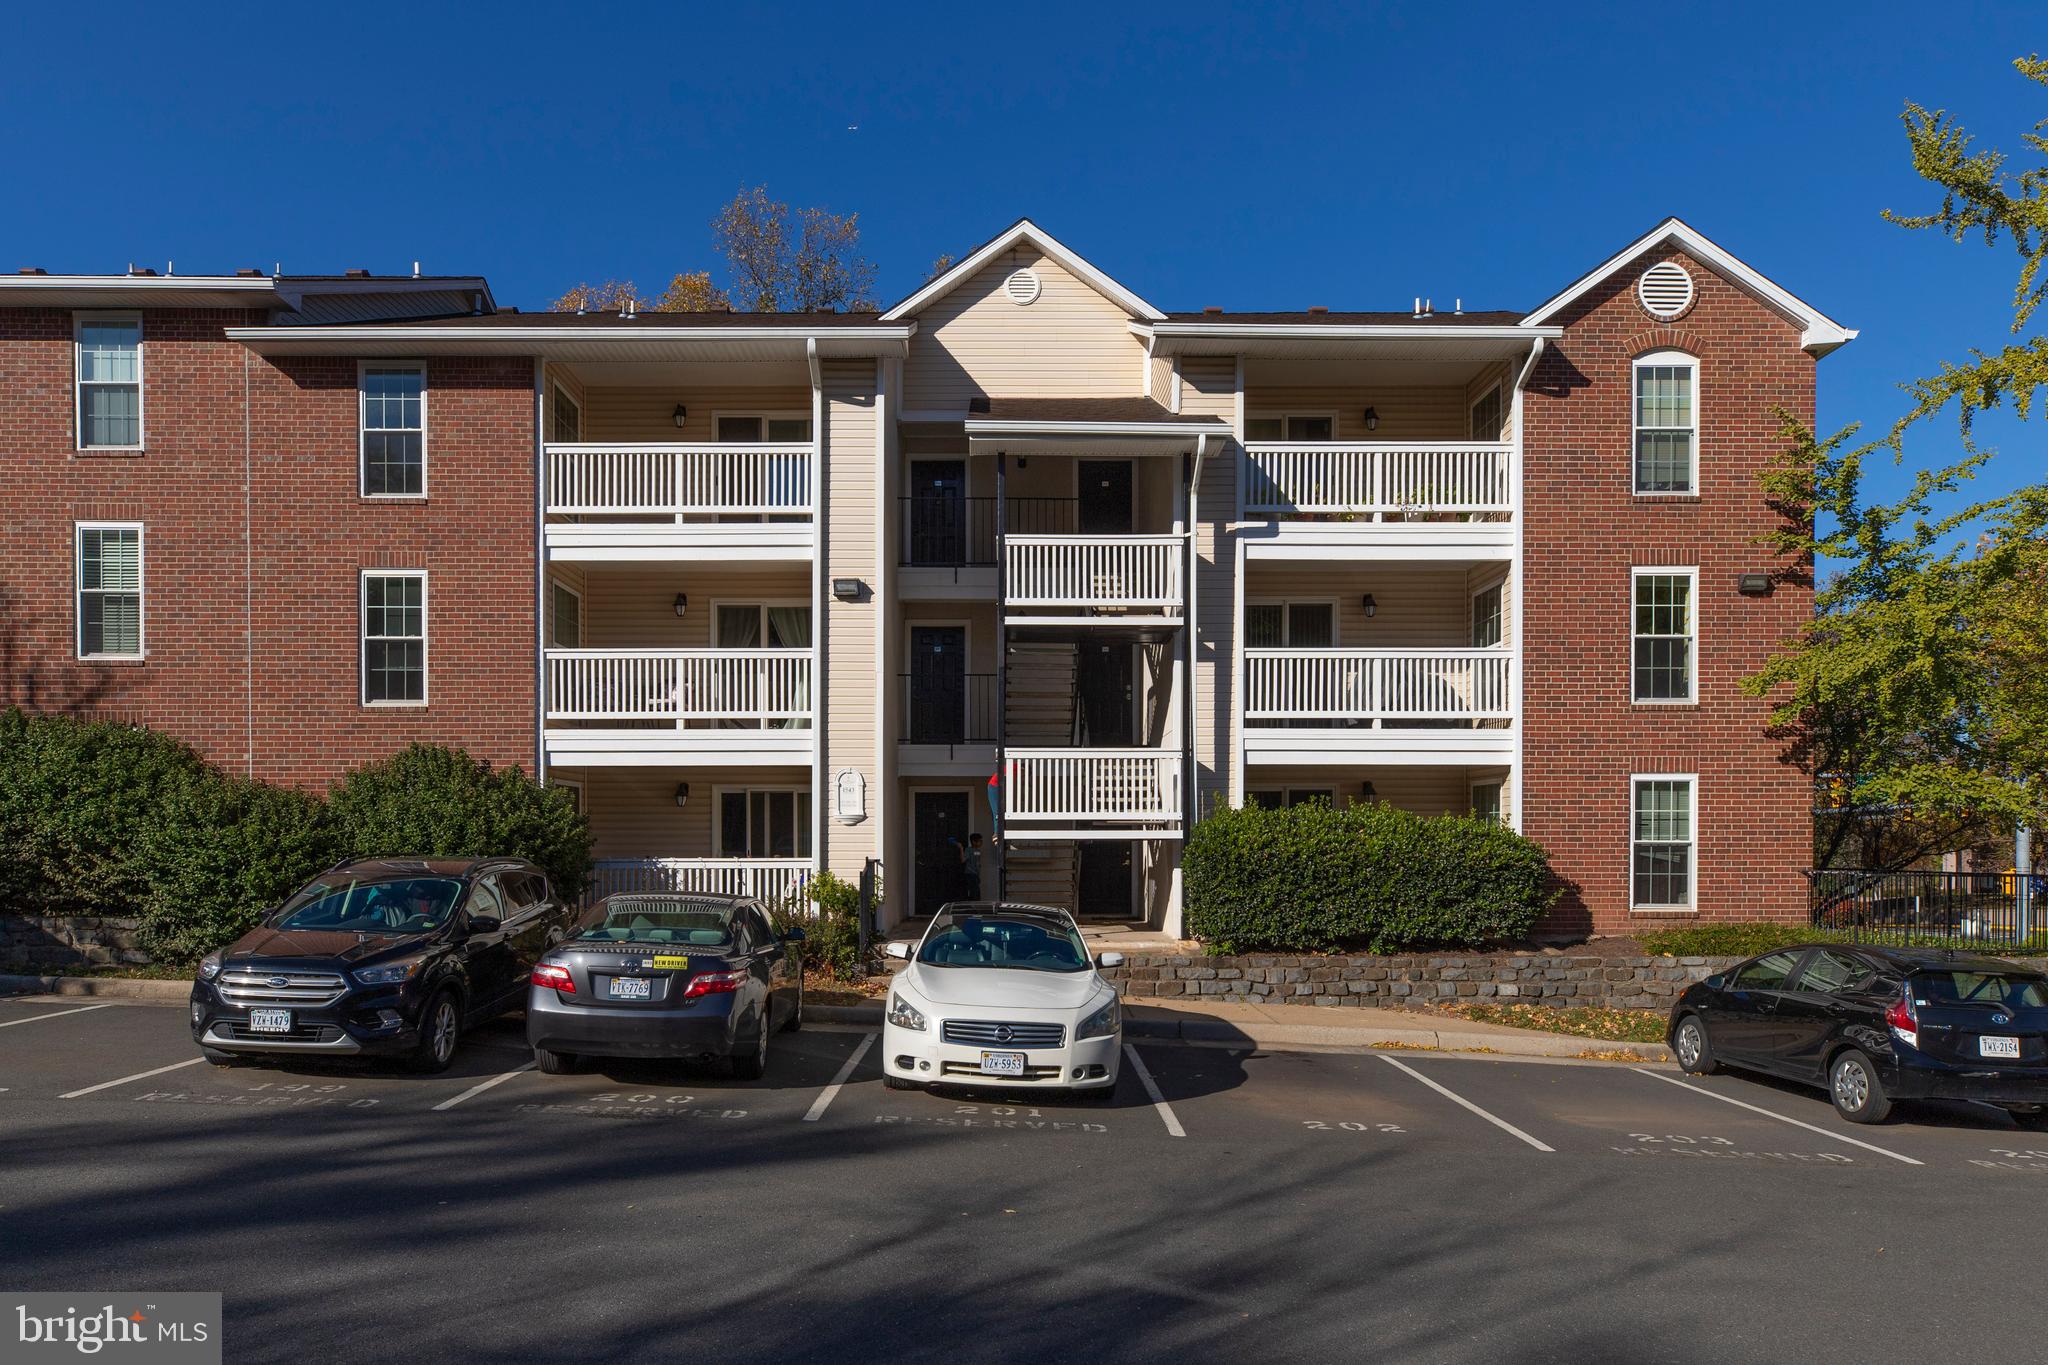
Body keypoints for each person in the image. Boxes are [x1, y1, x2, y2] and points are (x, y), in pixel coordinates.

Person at [956, 831, 984, 900]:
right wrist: (961, 848)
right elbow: (963, 860)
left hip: (976, 875)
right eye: (979, 841)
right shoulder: (969, 850)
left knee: (977, 893)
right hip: (970, 874)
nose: (981, 842)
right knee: (973, 893)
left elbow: (977, 862)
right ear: (974, 842)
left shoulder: (978, 851)